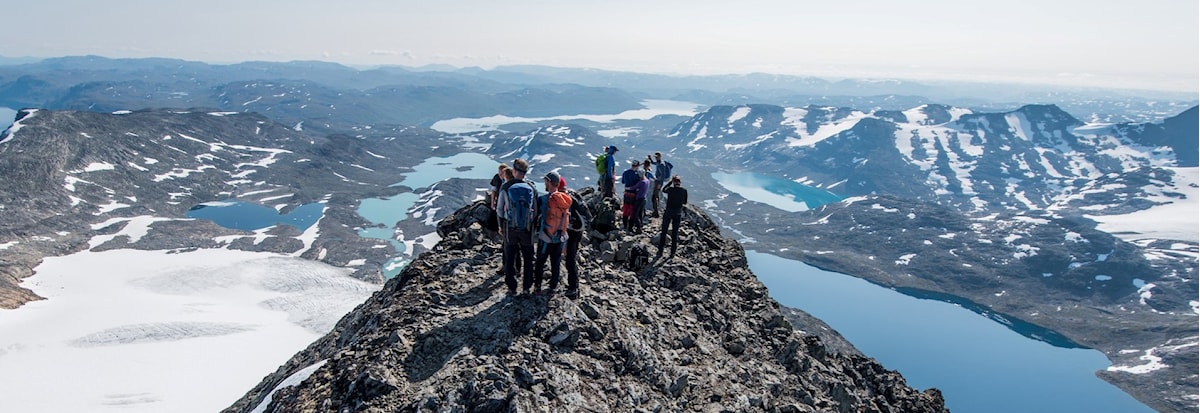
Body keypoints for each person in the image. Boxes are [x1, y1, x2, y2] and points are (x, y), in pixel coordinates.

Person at [497, 158, 538, 295]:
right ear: (525, 173)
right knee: (528, 258)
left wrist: (500, 225)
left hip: (510, 227)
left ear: (514, 171)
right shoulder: (531, 188)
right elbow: (536, 210)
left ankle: (512, 287)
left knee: (510, 257)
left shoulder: (506, 187)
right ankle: (526, 287)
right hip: (527, 229)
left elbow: (499, 210)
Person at [533, 171, 571, 294]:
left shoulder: (543, 199)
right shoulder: (564, 199)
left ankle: (537, 286)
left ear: (549, 182)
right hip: (560, 237)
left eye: (546, 181)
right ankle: (553, 287)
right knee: (555, 263)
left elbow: (536, 215)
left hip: (546, 236)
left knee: (540, 262)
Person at [561, 178, 592, 298]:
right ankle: (574, 285)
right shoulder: (573, 194)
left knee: (570, 259)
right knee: (571, 257)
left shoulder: (565, 199)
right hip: (578, 231)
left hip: (572, 231)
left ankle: (573, 288)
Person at [657, 175, 688, 259]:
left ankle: (660, 251)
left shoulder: (670, 189)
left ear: (674, 182)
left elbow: (663, 190)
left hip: (668, 212)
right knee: (675, 233)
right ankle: (672, 253)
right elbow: (685, 202)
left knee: (664, 231)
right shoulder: (684, 191)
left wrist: (669, 182)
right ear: (680, 182)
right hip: (677, 213)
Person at [649, 152, 672, 218]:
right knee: (655, 196)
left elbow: (663, 175)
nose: (656, 158)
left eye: (657, 157)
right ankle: (655, 211)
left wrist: (660, 184)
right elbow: (654, 163)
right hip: (657, 180)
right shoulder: (659, 162)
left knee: (655, 196)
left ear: (660, 156)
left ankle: (656, 212)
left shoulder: (662, 164)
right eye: (655, 157)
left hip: (658, 181)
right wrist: (650, 159)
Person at [621, 160, 640, 231]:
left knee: (625, 209)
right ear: (637, 166)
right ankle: (630, 226)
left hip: (626, 193)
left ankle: (625, 224)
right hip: (633, 194)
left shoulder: (625, 172)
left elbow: (623, 182)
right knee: (632, 210)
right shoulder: (636, 175)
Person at [632, 160, 651, 232]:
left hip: (639, 198)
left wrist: (628, 188)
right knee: (640, 213)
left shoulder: (641, 182)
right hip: (644, 198)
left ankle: (638, 226)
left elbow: (634, 187)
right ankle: (641, 225)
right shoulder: (647, 181)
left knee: (635, 213)